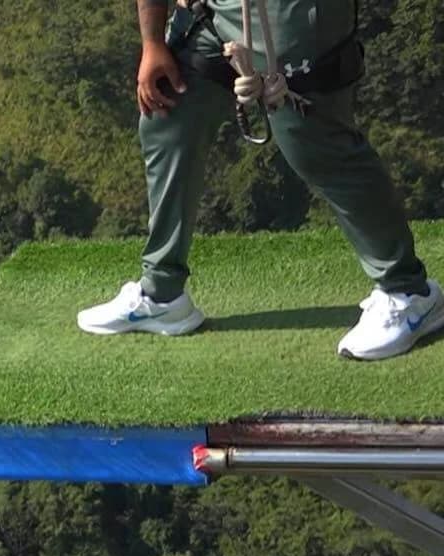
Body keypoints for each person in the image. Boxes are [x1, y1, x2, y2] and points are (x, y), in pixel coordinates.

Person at [77, 0, 442, 361]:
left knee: (315, 145)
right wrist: (153, 43)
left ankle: (408, 292)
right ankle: (162, 293)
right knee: (170, 114)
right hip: (215, 10)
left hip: (290, 11)